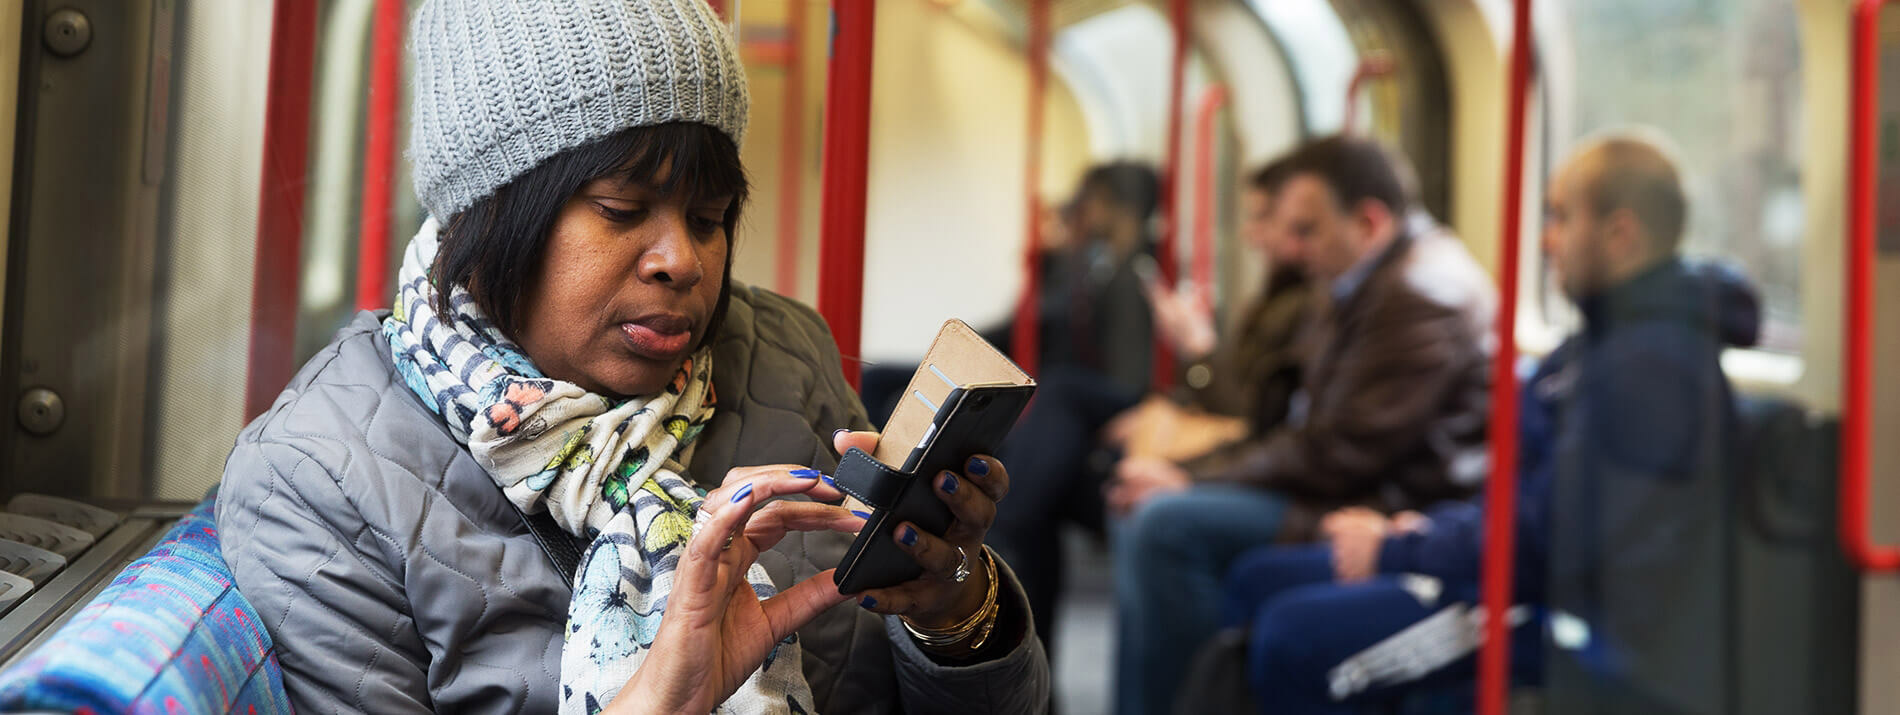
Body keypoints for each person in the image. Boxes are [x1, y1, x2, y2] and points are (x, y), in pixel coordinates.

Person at [214, 2, 1050, 713]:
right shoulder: (319, 478)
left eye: (710, 216)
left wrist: (954, 610)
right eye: (622, 209)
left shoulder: (779, 359)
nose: (681, 260)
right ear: (489, 212)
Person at [1225, 131, 1759, 714]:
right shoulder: (1599, 347)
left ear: (1620, 233)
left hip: (1562, 622)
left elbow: (1554, 543)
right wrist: (1420, 535)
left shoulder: (1651, 369)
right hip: (1525, 586)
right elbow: (1527, 499)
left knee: (1298, 640)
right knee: (1262, 579)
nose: (1545, 239)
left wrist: (1399, 553)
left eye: (1559, 217)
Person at [1110, 136, 1496, 715]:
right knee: (1142, 505)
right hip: (1336, 482)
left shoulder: (1415, 293)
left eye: (1308, 231)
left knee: (1165, 525)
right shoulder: (1364, 283)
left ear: (1367, 222)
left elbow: (1335, 451)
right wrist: (1183, 471)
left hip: (1378, 501)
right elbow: (1290, 420)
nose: (1290, 249)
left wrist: (1190, 480)